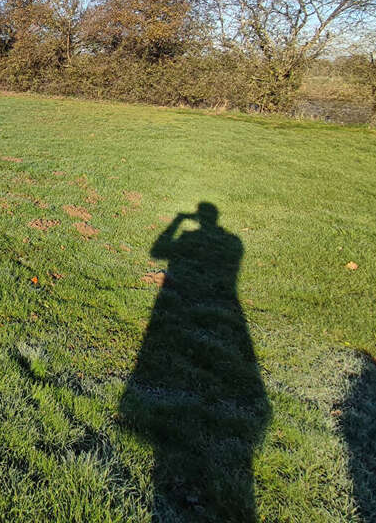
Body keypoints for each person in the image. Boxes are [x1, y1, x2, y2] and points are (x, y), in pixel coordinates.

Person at [119, 202, 270, 521]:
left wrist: (176, 220)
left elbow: (158, 249)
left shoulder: (206, 240)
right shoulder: (233, 242)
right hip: (224, 308)